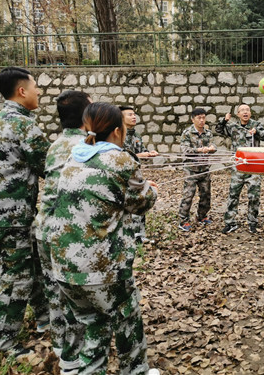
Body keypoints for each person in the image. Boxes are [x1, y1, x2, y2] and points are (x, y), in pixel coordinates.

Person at [48, 102, 160, 374]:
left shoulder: (75, 156)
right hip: (102, 266)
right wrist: (150, 190)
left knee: (93, 324)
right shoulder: (120, 159)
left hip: (64, 265)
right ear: (119, 131)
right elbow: (140, 203)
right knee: (126, 318)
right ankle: (136, 371)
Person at [0, 67, 50, 359]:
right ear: (22, 91)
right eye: (35, 87)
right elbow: (49, 165)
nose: (38, 92)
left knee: (32, 267)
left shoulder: (2, 119)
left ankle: (47, 318)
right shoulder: (22, 125)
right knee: (16, 278)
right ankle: (3, 343)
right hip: (12, 216)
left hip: (4, 213)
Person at [33, 90, 91, 373]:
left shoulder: (55, 145)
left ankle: (60, 346)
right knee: (76, 297)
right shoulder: (87, 145)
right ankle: (73, 359)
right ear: (86, 116)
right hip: (69, 234)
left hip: (45, 229)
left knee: (54, 291)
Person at [215, 104, 264, 234]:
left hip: (254, 166)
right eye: (242, 111)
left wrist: (257, 132)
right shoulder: (233, 126)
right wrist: (224, 120)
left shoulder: (256, 124)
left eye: (247, 110)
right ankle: (230, 223)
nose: (245, 112)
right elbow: (219, 130)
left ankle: (252, 222)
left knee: (254, 196)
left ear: (250, 113)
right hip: (238, 166)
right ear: (238, 114)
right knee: (233, 194)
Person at [119, 105, 158, 243]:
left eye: (134, 114)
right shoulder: (118, 135)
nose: (133, 117)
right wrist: (141, 154)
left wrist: (150, 153)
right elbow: (121, 156)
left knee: (140, 202)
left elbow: (142, 151)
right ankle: (130, 236)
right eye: (129, 114)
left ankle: (140, 235)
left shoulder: (135, 135)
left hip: (136, 174)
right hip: (123, 176)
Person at [178, 108, 217, 232]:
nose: (201, 120)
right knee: (188, 195)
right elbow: (185, 150)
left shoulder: (208, 133)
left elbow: (214, 146)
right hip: (191, 169)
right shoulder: (187, 133)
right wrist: (199, 150)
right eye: (199, 118)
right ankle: (183, 220)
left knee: (206, 194)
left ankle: (202, 216)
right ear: (192, 119)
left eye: (203, 118)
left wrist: (211, 148)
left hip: (204, 168)